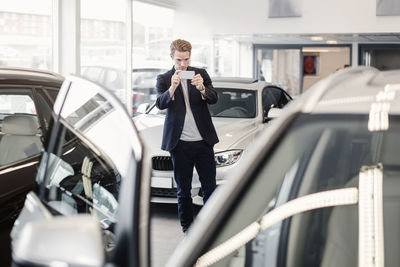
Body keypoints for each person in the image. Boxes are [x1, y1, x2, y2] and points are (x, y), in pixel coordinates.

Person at [156, 39, 219, 233]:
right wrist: (172, 88)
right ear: (171, 57)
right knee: (183, 191)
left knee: (209, 188)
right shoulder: (164, 78)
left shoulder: (200, 74)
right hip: (180, 144)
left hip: (203, 142)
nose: (183, 64)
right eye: (179, 60)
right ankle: (187, 228)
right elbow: (160, 103)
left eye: (186, 59)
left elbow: (214, 98)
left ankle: (209, 228)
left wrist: (202, 88)